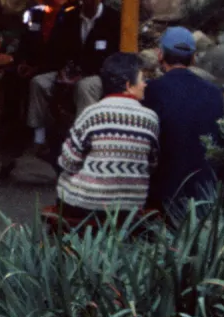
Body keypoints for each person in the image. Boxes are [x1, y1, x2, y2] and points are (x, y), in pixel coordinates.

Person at [56, 53, 159, 226]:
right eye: (142, 79)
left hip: (85, 204)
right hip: (129, 207)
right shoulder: (150, 119)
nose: (145, 84)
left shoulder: (91, 114)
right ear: (128, 85)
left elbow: (68, 162)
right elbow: (152, 165)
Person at [142, 27, 224, 222]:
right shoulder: (215, 94)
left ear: (160, 55)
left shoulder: (152, 91)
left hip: (164, 201)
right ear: (193, 58)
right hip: (206, 197)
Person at [27, 0, 121, 149]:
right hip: (72, 69)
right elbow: (58, 49)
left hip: (98, 73)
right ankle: (39, 138)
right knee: (39, 83)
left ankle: (81, 141)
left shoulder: (112, 19)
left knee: (84, 87)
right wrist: (63, 71)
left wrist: (83, 73)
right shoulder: (70, 17)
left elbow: (113, 57)